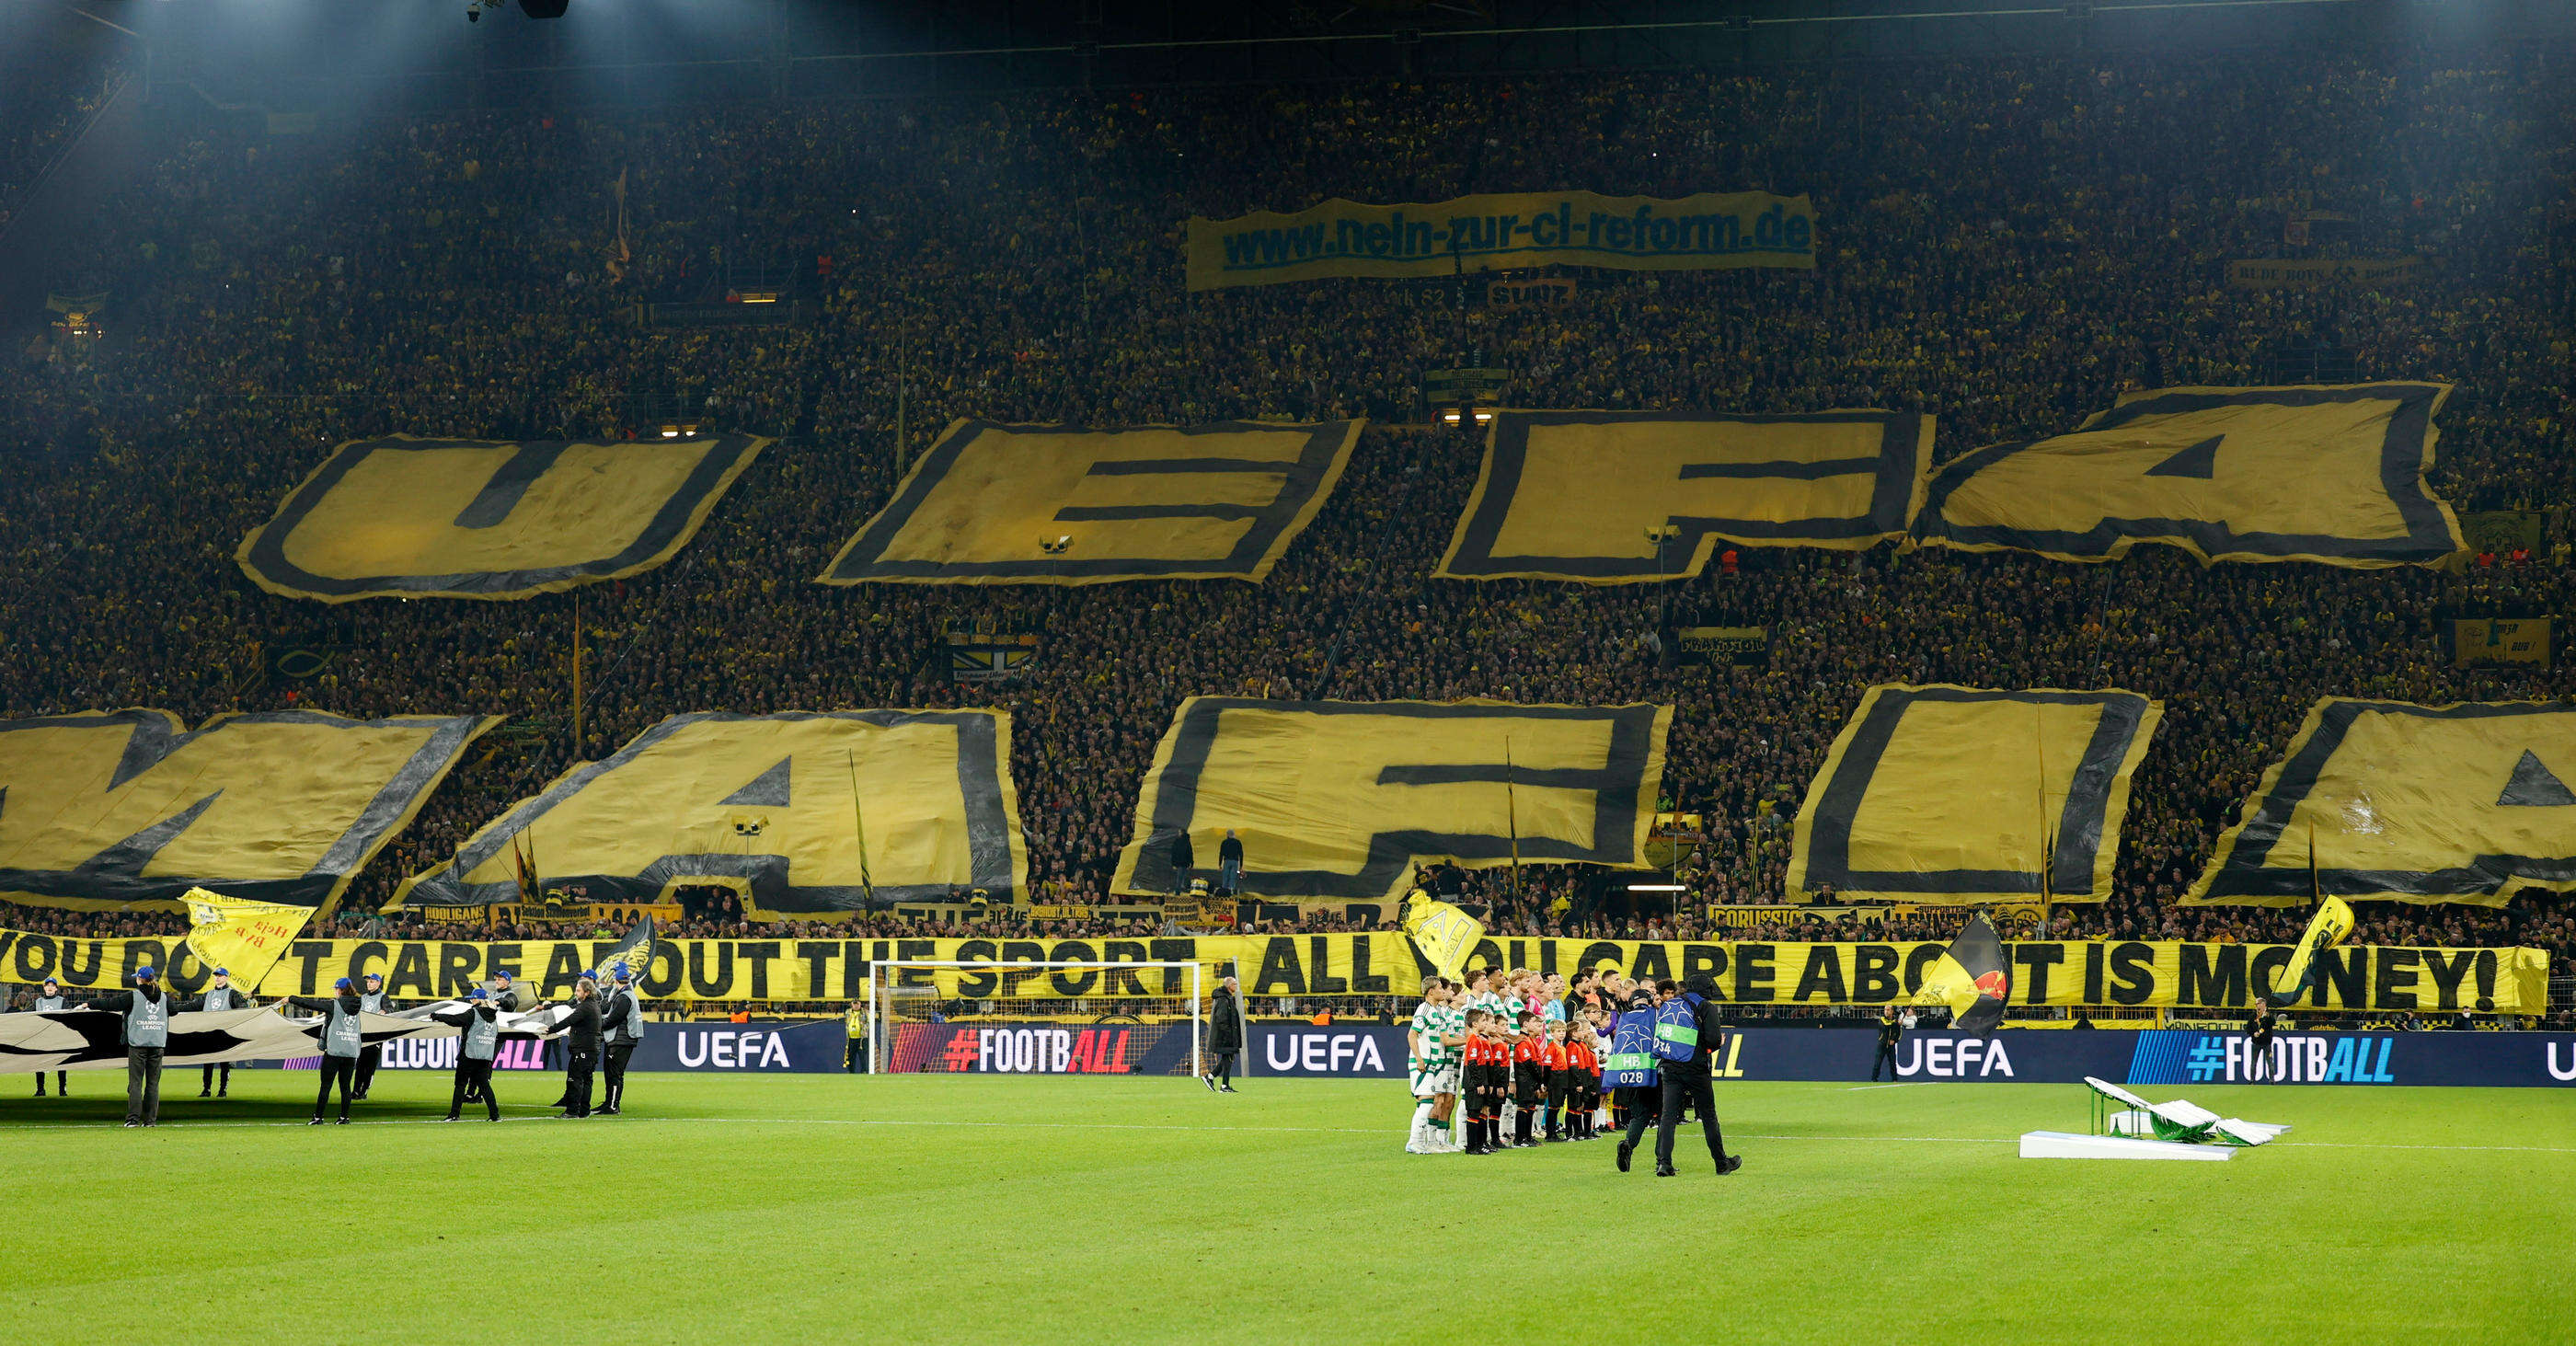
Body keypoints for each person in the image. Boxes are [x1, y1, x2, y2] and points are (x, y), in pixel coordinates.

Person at [1630, 974, 1740, 1178]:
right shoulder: (1706, 1007)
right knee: (1708, 1115)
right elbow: (1714, 1040)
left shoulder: (1670, 1005)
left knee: (1668, 1116)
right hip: (1696, 1067)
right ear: (1707, 989)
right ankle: (1721, 1163)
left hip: (1670, 1067)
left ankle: (1664, 1163)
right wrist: (1716, 1044)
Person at [84, 966, 173, 1128]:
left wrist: (89, 1003)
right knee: (153, 1084)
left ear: (139, 979)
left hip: (138, 1045)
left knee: (135, 1083)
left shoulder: (133, 996)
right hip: (158, 1045)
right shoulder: (164, 997)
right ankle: (150, 1121)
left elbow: (110, 1004)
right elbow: (174, 1011)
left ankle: (133, 1119)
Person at [288, 979, 367, 1124]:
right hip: (350, 1052)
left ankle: (318, 1117)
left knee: (326, 1085)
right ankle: (344, 1117)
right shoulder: (358, 1005)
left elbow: (310, 1004)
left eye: (336, 989)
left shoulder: (333, 1005)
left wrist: (291, 998)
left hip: (334, 1052)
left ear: (340, 990)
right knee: (345, 1086)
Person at [1404, 975, 1464, 1154]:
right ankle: (1414, 1142)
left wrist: (1472, 1039)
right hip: (1424, 1064)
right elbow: (1412, 1035)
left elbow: (1445, 1039)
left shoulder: (1437, 1012)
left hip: (1434, 1066)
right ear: (1431, 991)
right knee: (1427, 1103)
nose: (1443, 991)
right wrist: (1419, 1058)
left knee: (1427, 1103)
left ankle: (1425, 1142)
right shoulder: (1423, 1009)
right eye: (1440, 988)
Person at [431, 989, 503, 1122]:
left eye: (473, 998)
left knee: (460, 1084)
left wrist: (437, 1016)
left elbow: (455, 1020)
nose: (471, 1001)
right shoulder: (494, 1016)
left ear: (479, 1000)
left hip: (469, 1055)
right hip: (485, 1057)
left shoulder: (473, 1012)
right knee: (484, 1086)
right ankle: (495, 1115)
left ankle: (454, 1114)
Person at [178, 968, 247, 1098]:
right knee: (207, 1062)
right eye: (216, 975)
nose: (217, 978)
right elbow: (191, 1006)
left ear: (226, 977)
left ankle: (222, 1090)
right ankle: (206, 1089)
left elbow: (243, 1009)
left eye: (220, 976)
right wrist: (173, 1008)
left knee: (224, 1064)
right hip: (209, 1034)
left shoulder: (233, 994)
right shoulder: (208, 995)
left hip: (225, 1035)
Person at [599, 962, 644, 1115]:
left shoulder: (623, 997)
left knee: (615, 1073)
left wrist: (596, 1025)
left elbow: (613, 1019)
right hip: (623, 1038)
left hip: (621, 1039)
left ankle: (612, 1106)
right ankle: (609, 1103)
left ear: (616, 981)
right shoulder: (627, 995)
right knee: (614, 1073)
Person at [555, 975, 604, 1118]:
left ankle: (572, 1111)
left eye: (578, 991)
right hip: (592, 1049)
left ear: (587, 992)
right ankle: (584, 1110)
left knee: (574, 1079)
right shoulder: (594, 1005)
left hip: (583, 1049)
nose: (576, 993)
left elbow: (569, 1020)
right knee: (587, 1080)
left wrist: (552, 1029)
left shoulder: (585, 1007)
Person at [30, 976, 69, 1098]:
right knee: (39, 1063)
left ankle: (62, 1090)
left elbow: (69, 1016)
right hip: (42, 1038)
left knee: (61, 1064)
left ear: (56, 988)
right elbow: (26, 1015)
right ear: (44, 987)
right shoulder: (38, 1002)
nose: (50, 988)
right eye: (48, 985)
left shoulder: (62, 1001)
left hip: (58, 1038)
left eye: (53, 986)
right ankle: (40, 1089)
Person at [352, 972, 388, 1099]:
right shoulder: (363, 997)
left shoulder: (383, 997)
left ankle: (364, 1091)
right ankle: (356, 1091)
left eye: (372, 981)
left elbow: (388, 1010)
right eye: (368, 981)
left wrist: (384, 1011)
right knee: (360, 1065)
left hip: (376, 1037)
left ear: (378, 983)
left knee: (370, 1067)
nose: (369, 983)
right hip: (363, 1035)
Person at [1203, 974, 1242, 1093]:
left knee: (1228, 1058)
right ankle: (1223, 1085)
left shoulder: (1226, 998)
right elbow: (1221, 1018)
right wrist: (1228, 1033)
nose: (1236, 986)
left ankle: (1211, 1077)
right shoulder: (1223, 999)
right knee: (1228, 1058)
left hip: (1227, 1035)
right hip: (1224, 1036)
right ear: (1229, 985)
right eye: (1235, 984)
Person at [2247, 1001, 2277, 1081]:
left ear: (2264, 1005)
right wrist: (2253, 1034)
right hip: (2256, 1043)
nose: (2257, 1006)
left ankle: (2272, 1080)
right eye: (2256, 1005)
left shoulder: (2268, 1015)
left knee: (2270, 1062)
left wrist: (2268, 1016)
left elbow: (2273, 1022)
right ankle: (2252, 1080)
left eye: (2259, 1004)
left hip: (2267, 1043)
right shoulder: (2253, 1016)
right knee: (2254, 1062)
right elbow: (2248, 1028)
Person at [1870, 1007, 1903, 1082]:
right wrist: (1897, 1023)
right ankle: (1874, 1079)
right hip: (1882, 1045)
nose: (1886, 1011)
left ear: (1892, 1011)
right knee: (1877, 1063)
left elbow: (1899, 1033)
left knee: (1893, 1063)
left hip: (1891, 1046)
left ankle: (1895, 1079)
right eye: (1885, 1010)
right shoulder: (1882, 1019)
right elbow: (1886, 1025)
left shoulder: (1895, 1022)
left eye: (1888, 1010)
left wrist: (1894, 1041)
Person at [1166, 827, 1195, 895]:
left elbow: (1173, 852)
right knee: (1182, 877)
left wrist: (1173, 863)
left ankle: (1177, 892)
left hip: (1178, 862)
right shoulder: (1187, 841)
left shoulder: (1177, 841)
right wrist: (1191, 862)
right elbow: (1190, 852)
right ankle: (1181, 889)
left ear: (1181, 833)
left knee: (1179, 878)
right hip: (1185, 862)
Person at [1216, 829, 1244, 896]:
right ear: (1234, 835)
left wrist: (1220, 864)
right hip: (1235, 861)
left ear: (1227, 835)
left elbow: (1221, 853)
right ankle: (1231, 891)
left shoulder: (1224, 842)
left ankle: (1223, 891)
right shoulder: (1238, 842)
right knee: (1232, 877)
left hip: (1227, 861)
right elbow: (1241, 854)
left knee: (1225, 876)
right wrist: (1241, 866)